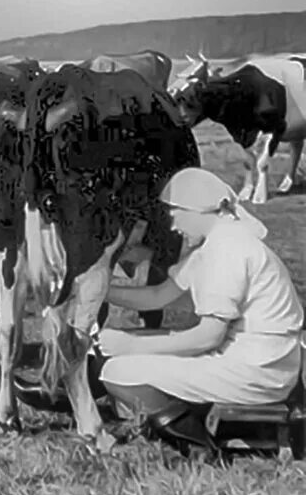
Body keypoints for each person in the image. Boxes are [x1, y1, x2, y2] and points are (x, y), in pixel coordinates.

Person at [95, 167, 304, 445]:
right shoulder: (220, 241)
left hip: (257, 371)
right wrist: (98, 292)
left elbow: (208, 337)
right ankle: (183, 419)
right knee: (133, 348)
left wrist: (131, 346)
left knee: (117, 372)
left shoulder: (227, 249)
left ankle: (196, 443)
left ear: (197, 209)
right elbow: (158, 295)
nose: (172, 226)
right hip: (262, 360)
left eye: (175, 215)